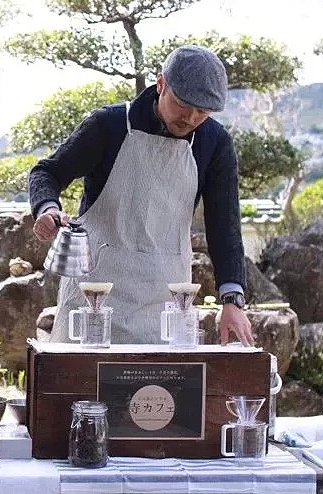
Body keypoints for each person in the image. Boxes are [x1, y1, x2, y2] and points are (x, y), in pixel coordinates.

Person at [30, 44, 255, 346]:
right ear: (161, 84)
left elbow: (224, 226)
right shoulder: (108, 126)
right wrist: (47, 207)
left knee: (160, 391)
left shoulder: (214, 142)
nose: (190, 119)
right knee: (82, 389)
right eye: (182, 105)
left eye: (202, 111)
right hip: (93, 297)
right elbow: (47, 172)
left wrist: (232, 300)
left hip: (165, 303)